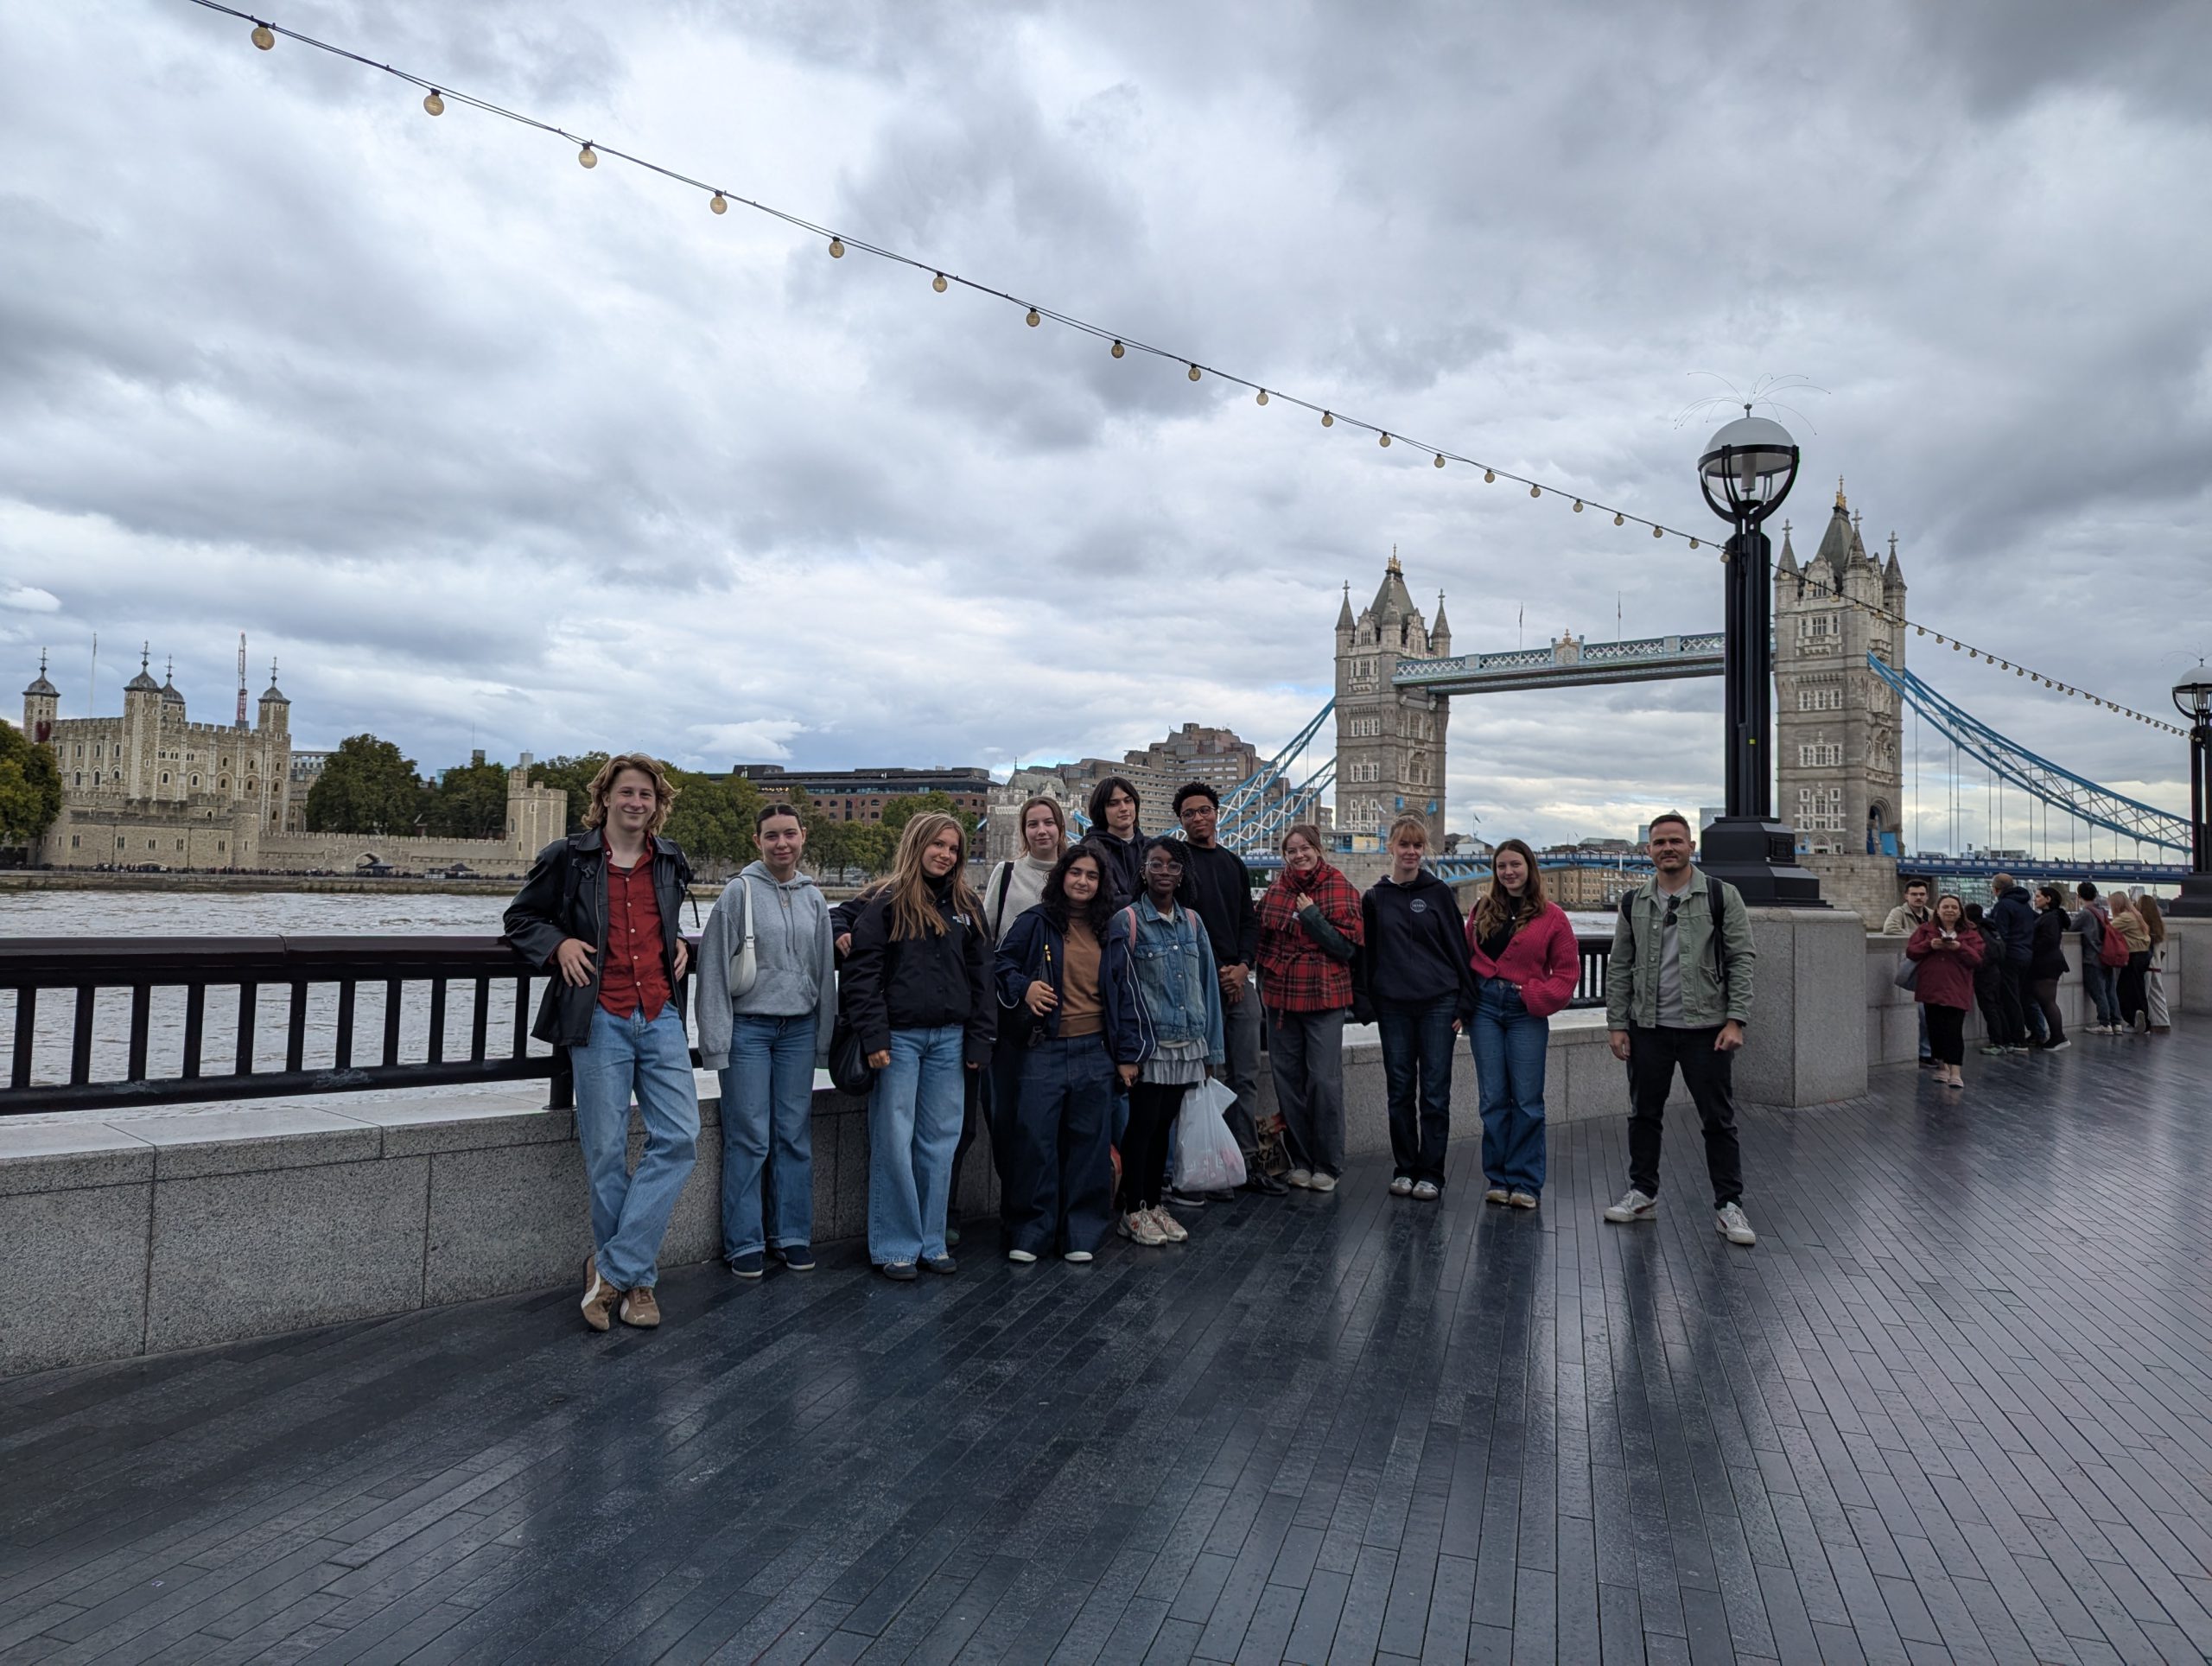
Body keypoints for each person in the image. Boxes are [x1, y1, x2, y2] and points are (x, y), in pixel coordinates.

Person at [504, 754, 696, 1332]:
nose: (636, 802)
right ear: (605, 797)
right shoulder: (568, 857)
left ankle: (609, 1269)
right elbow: (520, 919)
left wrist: (679, 942)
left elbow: (664, 920)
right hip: (600, 1016)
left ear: (657, 804)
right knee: (607, 1152)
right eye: (627, 792)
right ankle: (637, 1284)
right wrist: (558, 945)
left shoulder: (670, 859)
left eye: (646, 795)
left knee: (680, 1138)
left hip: (659, 1012)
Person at [839, 812, 995, 1280]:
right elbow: (862, 974)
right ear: (917, 844)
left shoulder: (967, 905)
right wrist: (874, 1036)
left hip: (952, 1038)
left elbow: (982, 977)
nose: (945, 854)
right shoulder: (886, 902)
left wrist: (981, 1039)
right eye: (937, 845)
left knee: (940, 1143)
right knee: (894, 1140)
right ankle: (895, 1246)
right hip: (899, 1040)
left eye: (953, 848)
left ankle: (931, 1241)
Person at [1602, 812, 1759, 1246]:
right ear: (1648, 850)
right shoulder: (1633, 901)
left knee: (1718, 1120)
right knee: (1643, 1115)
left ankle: (1729, 1205)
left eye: (1675, 841)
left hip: (1706, 1027)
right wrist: (1617, 1024)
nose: (1667, 848)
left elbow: (1742, 958)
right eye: (1659, 842)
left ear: (1691, 846)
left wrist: (1736, 1019)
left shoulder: (1721, 895)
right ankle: (1643, 1194)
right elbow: (1620, 964)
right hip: (1648, 1026)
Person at [696, 802, 836, 1279]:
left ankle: (791, 1234)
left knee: (793, 1135)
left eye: (789, 834)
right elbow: (713, 971)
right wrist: (715, 1042)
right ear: (757, 841)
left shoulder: (813, 898)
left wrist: (823, 1038)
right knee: (749, 1136)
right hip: (749, 1030)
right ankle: (745, 1241)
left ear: (803, 837)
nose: (782, 844)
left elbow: (824, 973)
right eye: (772, 835)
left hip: (798, 1030)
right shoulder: (738, 893)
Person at [994, 845, 1142, 1263]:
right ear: (1061, 876)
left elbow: (1125, 995)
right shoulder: (1035, 922)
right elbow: (999, 965)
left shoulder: (1110, 930)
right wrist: (1024, 987)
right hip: (1043, 1049)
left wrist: (1127, 1055)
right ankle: (1030, 1231)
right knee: (1034, 1142)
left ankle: (1081, 1232)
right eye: (1076, 872)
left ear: (1101, 884)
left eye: (1092, 876)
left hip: (1095, 1050)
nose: (1083, 881)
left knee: (1089, 1147)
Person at [950, 795, 1069, 1244]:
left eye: (1049, 822)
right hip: (1011, 1014)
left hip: (1065, 1017)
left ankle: (1050, 1213)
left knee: (1053, 1123)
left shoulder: (1078, 872)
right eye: (1033, 824)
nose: (1042, 831)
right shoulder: (1005, 874)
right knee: (1005, 1117)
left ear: (1061, 827)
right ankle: (1015, 1209)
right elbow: (986, 943)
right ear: (1023, 832)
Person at [1170, 783, 1285, 1197]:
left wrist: (1242, 967)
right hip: (1197, 983)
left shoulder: (1234, 863)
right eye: (1189, 813)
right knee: (1201, 1076)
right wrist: (1219, 971)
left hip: (1237, 978)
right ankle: (1206, 1167)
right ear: (1181, 821)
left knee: (1245, 1075)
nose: (1198, 818)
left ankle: (1245, 1163)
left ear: (1217, 813)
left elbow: (1247, 922)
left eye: (1204, 810)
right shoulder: (1177, 864)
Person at [1355, 815, 1476, 1203]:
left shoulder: (1439, 893)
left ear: (1424, 850)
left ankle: (1432, 1173)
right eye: (1404, 844)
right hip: (1393, 1006)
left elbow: (1459, 949)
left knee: (1435, 1093)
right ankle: (1404, 1168)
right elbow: (1367, 954)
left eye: (1417, 846)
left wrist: (1465, 1002)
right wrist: (1366, 1000)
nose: (1410, 852)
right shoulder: (1374, 898)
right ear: (1389, 847)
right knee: (1399, 1092)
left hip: (1439, 1003)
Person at [1115, 841, 1225, 1245]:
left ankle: (1154, 1203)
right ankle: (1133, 1210)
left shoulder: (1193, 922)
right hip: (1150, 1045)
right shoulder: (1127, 921)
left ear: (1183, 875)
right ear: (1143, 870)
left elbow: (1208, 986)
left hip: (1187, 1043)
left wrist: (1212, 1049)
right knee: (1142, 1126)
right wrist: (1126, 1052)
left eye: (1173, 866)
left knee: (1164, 1126)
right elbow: (1118, 992)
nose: (1164, 871)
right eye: (1156, 864)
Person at [1464, 836, 1579, 1210]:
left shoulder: (1553, 917)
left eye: (1515, 864)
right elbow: (1465, 960)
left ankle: (1526, 1181)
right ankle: (1498, 1178)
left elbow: (1567, 974)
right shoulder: (1481, 910)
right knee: (1493, 1099)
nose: (1508, 872)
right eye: (1502, 866)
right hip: (1484, 1009)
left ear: (1530, 868)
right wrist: (1460, 1006)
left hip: (1524, 1011)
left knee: (1527, 1100)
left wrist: (1535, 995)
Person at [1256, 823, 1364, 1192]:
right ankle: (1301, 1160)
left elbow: (1347, 949)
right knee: (1288, 1082)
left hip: (1324, 996)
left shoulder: (1340, 887)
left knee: (1323, 1081)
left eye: (1305, 848)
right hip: (1281, 998)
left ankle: (1328, 1163)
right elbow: (1262, 943)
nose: (1298, 855)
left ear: (1318, 849)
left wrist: (1313, 917)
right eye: (1291, 850)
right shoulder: (1276, 890)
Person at [1909, 895, 1984, 1090]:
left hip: (1957, 987)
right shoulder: (1925, 930)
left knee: (1954, 1030)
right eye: (1945, 907)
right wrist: (1929, 945)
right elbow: (1911, 951)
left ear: (1960, 912)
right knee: (1934, 1029)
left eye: (1954, 907)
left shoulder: (1970, 933)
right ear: (1938, 910)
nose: (1950, 910)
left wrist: (1960, 947)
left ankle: (1956, 1072)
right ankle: (1942, 1067)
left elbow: (1977, 959)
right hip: (1931, 987)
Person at [1882, 877, 1937, 1068]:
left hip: (1933, 968)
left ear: (1927, 896)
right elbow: (1889, 929)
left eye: (1922, 894)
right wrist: (1922, 939)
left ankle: (1931, 1051)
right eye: (1914, 894)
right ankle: (1925, 1052)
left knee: (1931, 1012)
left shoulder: (1932, 914)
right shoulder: (1898, 912)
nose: (1918, 898)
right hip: (1913, 966)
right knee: (1923, 1012)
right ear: (1906, 896)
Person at [1985, 873, 2041, 1048]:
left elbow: (2000, 934)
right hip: (2027, 955)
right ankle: (2036, 1033)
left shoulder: (2003, 906)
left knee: (2010, 998)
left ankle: (2018, 1039)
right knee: (2021, 996)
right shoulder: (2025, 905)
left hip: (2010, 956)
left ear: (1996, 889)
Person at [1082, 776, 1146, 907]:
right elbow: (1108, 900)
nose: (1123, 808)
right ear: (1101, 811)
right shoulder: (1092, 851)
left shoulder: (1151, 848)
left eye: (1128, 801)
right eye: (1113, 803)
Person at [1961, 904, 2011, 1058]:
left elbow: (1982, 956)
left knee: (1989, 1008)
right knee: (1997, 1006)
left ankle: (1997, 1042)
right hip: (1995, 972)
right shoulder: (1990, 928)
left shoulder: (1978, 933)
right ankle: (2006, 1041)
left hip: (1984, 974)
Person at [2027, 884, 2072, 1051]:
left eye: (2039, 896)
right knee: (2045, 1001)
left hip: (2046, 964)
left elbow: (2049, 940)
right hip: (2049, 963)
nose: (2035, 899)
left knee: (2047, 1001)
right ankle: (2055, 1037)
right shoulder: (2052, 916)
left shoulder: (2050, 918)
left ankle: (2058, 1037)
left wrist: (2031, 947)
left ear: (2048, 899)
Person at [2074, 882, 2123, 1034]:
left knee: (2099, 992)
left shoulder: (2085, 914)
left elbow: (2071, 928)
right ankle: (2117, 1023)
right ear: (2095, 895)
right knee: (2110, 991)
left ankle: (2104, 1023)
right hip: (2107, 955)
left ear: (2079, 896)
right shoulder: (2102, 911)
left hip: (2093, 957)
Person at [2109, 892, 2152, 1033]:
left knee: (2123, 991)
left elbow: (2107, 930)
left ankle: (2134, 1021)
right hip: (2143, 955)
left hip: (2134, 956)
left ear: (2116, 905)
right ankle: (2143, 1021)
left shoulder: (2124, 918)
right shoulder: (2135, 915)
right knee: (2138, 990)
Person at [2139, 893, 2171, 1033]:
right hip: (2157, 965)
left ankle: (2145, 1025)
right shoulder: (2159, 925)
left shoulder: (2142, 925)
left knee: (2143, 997)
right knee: (2158, 995)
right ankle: (2163, 1023)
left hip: (2146, 965)